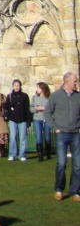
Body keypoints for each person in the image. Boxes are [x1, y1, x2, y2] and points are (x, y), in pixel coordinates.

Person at [45, 71, 80, 201]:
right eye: (75, 81)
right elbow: (47, 113)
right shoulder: (55, 96)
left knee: (78, 165)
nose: (76, 83)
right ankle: (59, 189)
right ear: (67, 82)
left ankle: (74, 191)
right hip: (62, 134)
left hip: (76, 134)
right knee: (61, 163)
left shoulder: (78, 96)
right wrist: (55, 128)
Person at [2, 79, 32, 161]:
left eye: (18, 85)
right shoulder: (10, 96)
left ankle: (22, 155)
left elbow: (27, 109)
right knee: (12, 137)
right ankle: (12, 154)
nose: (16, 87)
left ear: (20, 86)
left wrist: (28, 120)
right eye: (15, 85)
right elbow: (6, 107)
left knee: (22, 138)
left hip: (22, 119)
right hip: (12, 119)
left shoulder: (24, 96)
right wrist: (8, 104)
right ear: (13, 86)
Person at [32, 81, 52, 162]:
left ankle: (48, 153)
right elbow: (31, 108)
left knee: (47, 137)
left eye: (38, 87)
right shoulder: (34, 97)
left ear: (43, 89)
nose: (37, 89)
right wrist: (35, 109)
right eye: (37, 87)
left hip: (46, 119)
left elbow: (51, 107)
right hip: (37, 118)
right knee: (39, 137)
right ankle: (40, 155)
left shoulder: (49, 97)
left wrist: (43, 108)